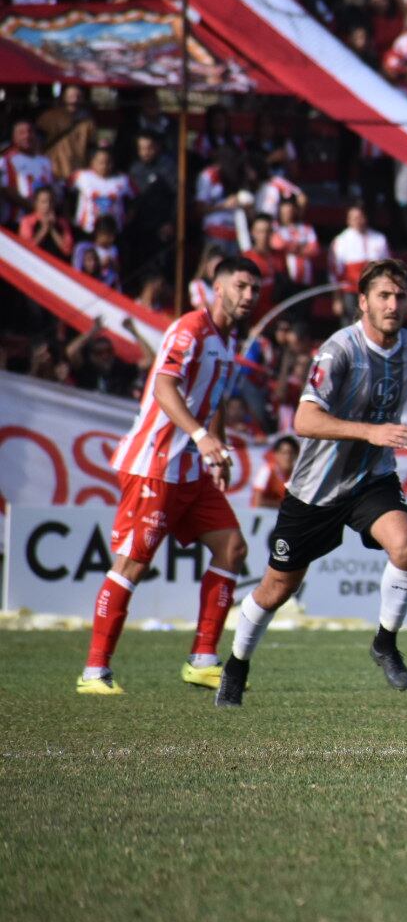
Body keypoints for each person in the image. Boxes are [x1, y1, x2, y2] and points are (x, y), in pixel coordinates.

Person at [216, 259, 407, 707]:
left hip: (371, 478)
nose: (393, 304)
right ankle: (236, 666)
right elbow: (303, 418)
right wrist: (371, 432)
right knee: (277, 588)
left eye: (400, 297)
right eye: (383, 296)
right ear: (363, 302)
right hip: (315, 489)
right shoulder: (339, 350)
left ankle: (385, 643)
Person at [76, 257, 264, 696]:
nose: (249, 296)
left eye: (255, 289)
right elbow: (164, 386)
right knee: (132, 564)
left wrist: (215, 447)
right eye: (241, 286)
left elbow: (210, 402)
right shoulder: (190, 328)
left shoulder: (225, 339)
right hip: (155, 464)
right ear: (217, 288)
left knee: (232, 548)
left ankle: (201, 660)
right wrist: (200, 437)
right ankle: (94, 672)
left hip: (190, 469)